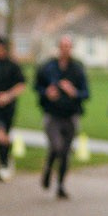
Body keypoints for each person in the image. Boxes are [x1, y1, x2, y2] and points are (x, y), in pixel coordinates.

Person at [35, 35, 88, 199]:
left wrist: (74, 92)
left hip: (71, 115)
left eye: (68, 46)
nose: (65, 49)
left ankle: (61, 186)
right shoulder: (48, 67)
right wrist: (46, 92)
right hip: (53, 115)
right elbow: (37, 86)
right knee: (57, 147)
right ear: (59, 47)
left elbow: (86, 93)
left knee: (65, 153)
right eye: (62, 46)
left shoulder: (77, 69)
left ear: (71, 48)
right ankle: (48, 169)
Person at [0, 35, 26, 182]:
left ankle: (6, 160)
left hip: (8, 106)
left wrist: (8, 96)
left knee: (5, 136)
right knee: (0, 135)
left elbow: (21, 85)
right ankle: (4, 165)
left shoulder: (12, 65)